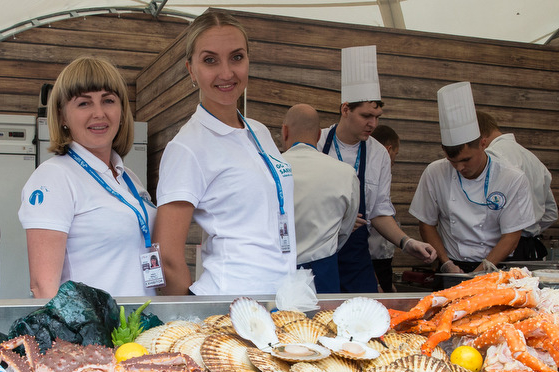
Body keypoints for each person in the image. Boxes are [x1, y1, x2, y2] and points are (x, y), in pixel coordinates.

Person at [153, 9, 295, 296]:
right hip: (227, 305)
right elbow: (166, 257)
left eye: (237, 57)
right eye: (210, 60)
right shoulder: (188, 146)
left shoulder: (259, 131)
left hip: (280, 299)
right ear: (191, 70)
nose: (227, 73)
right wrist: (190, 318)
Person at [18, 57, 156, 299]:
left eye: (108, 101)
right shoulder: (54, 177)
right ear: (62, 117)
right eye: (84, 103)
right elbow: (43, 288)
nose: (99, 113)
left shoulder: (129, 177)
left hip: (139, 329)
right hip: (92, 334)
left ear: (122, 111)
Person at [319, 46, 435, 292]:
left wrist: (407, 242)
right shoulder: (317, 143)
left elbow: (380, 211)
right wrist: (336, 222)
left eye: (377, 116)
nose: (373, 123)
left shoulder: (378, 153)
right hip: (319, 254)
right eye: (366, 115)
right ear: (345, 109)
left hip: (357, 257)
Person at [412, 82, 534, 274]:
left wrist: (480, 272)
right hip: (452, 266)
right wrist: (445, 263)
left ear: (483, 144)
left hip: (496, 267)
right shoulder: (434, 172)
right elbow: (426, 223)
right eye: (452, 161)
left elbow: (511, 235)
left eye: (466, 159)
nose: (460, 167)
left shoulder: (511, 178)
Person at [280, 103, 360, 294]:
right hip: (323, 275)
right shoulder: (346, 173)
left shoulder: (268, 169)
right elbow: (345, 229)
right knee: (322, 323)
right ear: (318, 135)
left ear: (285, 132)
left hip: (275, 273)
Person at [478, 111, 558, 261]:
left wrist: (515, 231)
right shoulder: (533, 159)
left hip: (501, 249)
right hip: (531, 249)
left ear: (480, 137)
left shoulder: (491, 157)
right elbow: (551, 213)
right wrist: (530, 228)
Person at [368, 124, 401, 292]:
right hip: (368, 267)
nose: (394, 159)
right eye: (396, 153)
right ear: (388, 150)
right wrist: (377, 282)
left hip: (383, 267)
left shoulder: (383, 178)